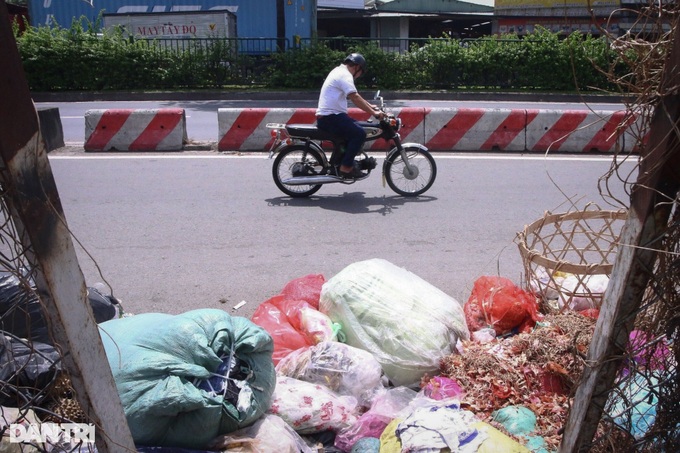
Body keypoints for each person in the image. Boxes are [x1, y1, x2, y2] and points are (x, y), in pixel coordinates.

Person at [315, 53, 385, 179]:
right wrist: (374, 113)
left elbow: (354, 95)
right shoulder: (344, 75)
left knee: (360, 127)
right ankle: (346, 167)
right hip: (330, 118)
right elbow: (355, 97)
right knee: (359, 134)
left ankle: (343, 161)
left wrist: (371, 106)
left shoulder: (339, 71)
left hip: (332, 116)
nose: (359, 76)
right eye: (361, 72)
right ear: (357, 67)